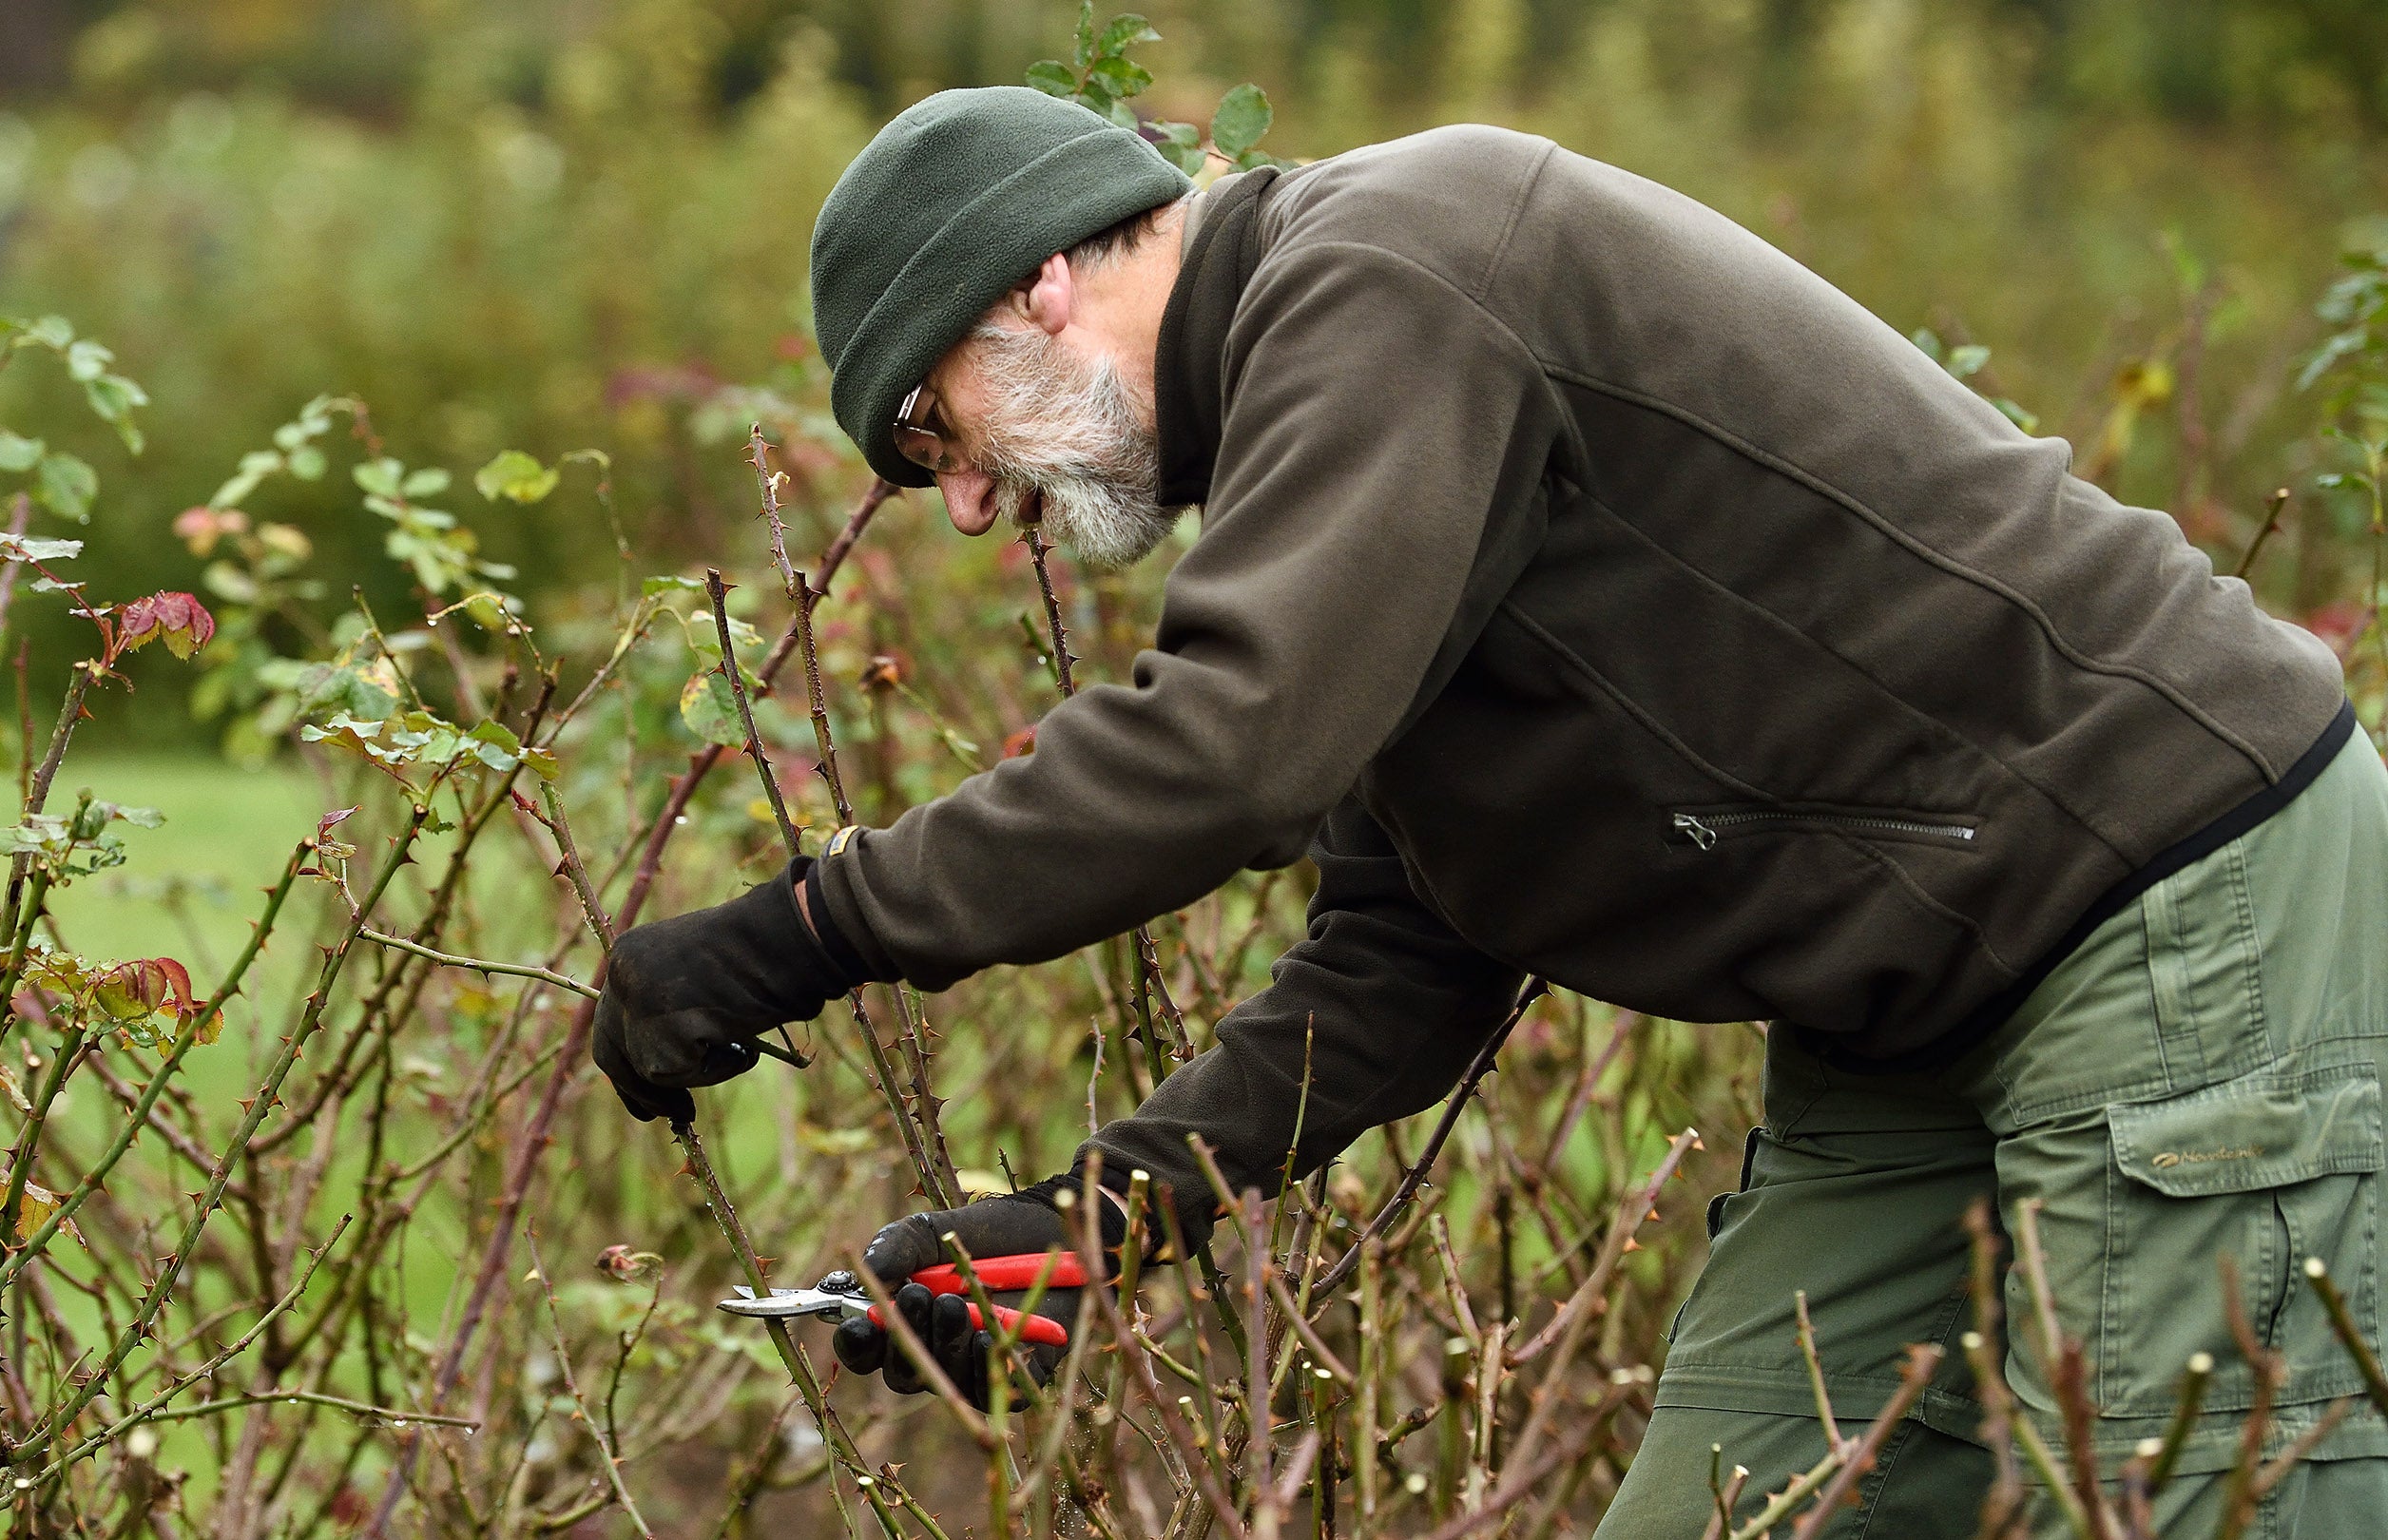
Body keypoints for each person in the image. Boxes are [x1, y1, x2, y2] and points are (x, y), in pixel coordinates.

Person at [590, 86, 2387, 1534]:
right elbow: (1408, 941)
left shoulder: (1400, 263)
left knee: (2201, 1498)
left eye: (935, 431)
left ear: (1033, 283)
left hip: (2178, 908)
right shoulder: (1340, 433)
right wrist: (1096, 1217)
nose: (970, 507)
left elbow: (1231, 745)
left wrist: (798, 935)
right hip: (1918, 1016)